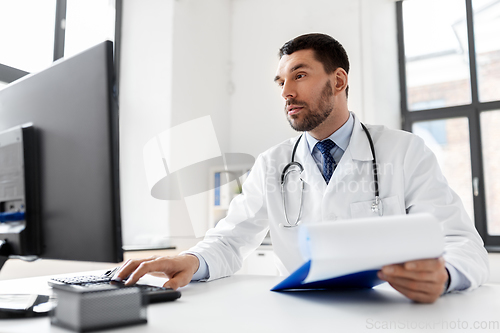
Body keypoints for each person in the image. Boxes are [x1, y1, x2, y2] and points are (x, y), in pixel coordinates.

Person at [114, 33, 489, 303]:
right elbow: (230, 240)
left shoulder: (404, 150)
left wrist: (444, 274)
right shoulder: (272, 164)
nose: (285, 92)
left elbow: (461, 243)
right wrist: (191, 259)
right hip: (299, 319)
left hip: (385, 315)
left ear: (338, 80)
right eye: (280, 81)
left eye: (299, 75)